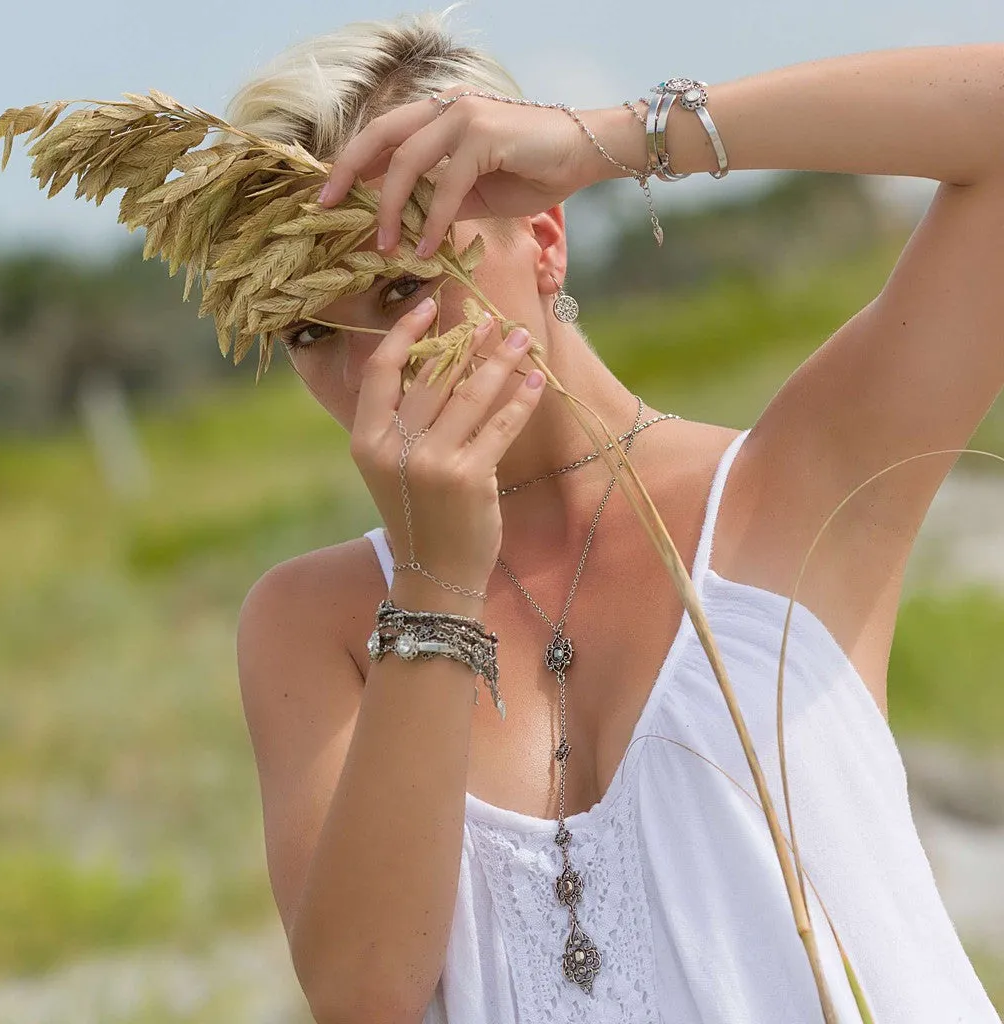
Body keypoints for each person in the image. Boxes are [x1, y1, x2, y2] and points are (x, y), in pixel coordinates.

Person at [232, 6, 1004, 1023]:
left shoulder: (790, 488)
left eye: (406, 276)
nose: (372, 357)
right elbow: (364, 993)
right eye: (305, 327)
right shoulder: (315, 624)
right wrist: (434, 586)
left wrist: (607, 140)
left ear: (544, 238)